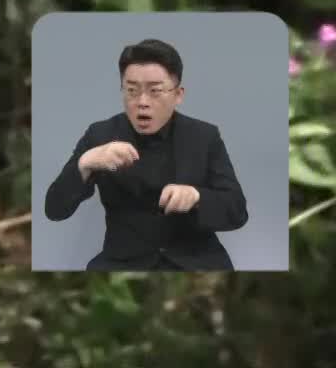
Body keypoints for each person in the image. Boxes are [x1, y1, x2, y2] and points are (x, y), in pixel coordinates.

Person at [42, 38, 249, 270]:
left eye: (155, 91)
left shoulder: (204, 136)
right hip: (124, 261)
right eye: (132, 91)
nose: (142, 102)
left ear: (178, 94)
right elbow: (54, 210)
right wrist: (86, 163)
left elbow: (237, 210)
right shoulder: (100, 134)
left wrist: (196, 197)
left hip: (195, 261)